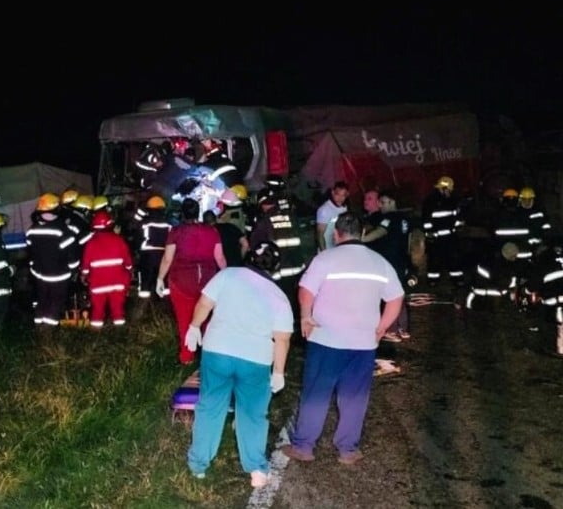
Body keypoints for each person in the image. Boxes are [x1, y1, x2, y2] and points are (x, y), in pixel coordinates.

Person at [283, 212, 404, 465]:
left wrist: (306, 316)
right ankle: (348, 449)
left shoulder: (325, 259)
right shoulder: (379, 262)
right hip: (363, 343)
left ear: (336, 234)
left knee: (316, 392)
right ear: (361, 233)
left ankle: (304, 446)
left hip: (326, 338)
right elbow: (396, 298)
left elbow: (306, 291)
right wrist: (382, 327)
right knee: (355, 395)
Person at [184, 241, 293, 488]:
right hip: (255, 361)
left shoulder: (228, 275)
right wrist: (278, 372)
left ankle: (198, 465)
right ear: (275, 267)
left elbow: (204, 304)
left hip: (217, 353)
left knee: (210, 407)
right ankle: (256, 469)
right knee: (253, 414)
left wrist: (193, 326)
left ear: (249, 257)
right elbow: (282, 339)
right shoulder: (279, 296)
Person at [157, 197, 227, 365]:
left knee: (185, 319)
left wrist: (160, 278)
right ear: (198, 212)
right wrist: (226, 278)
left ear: (182, 213)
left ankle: (187, 357)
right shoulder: (212, 231)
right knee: (207, 319)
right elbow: (220, 258)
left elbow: (167, 258)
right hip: (208, 282)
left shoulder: (176, 232)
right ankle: (211, 355)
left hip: (182, 280)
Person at [362, 188, 413, 341]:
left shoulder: (389, 218)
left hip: (390, 262)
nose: (381, 206)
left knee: (389, 296)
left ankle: (390, 329)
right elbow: (409, 241)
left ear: (392, 202)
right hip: (402, 260)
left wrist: (362, 240)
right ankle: (403, 327)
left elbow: (380, 231)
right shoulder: (405, 219)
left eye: (383, 202)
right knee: (400, 294)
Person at [25, 193, 80, 326]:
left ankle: (38, 324)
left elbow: (30, 254)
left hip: (39, 274)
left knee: (42, 299)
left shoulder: (31, 230)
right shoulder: (63, 230)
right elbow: (72, 255)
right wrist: (73, 269)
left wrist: (33, 268)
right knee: (56, 301)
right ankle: (48, 330)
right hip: (59, 275)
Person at [80, 209, 134, 327]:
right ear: (110, 224)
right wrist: (130, 271)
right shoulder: (119, 240)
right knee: (118, 310)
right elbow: (128, 261)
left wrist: (84, 276)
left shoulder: (91, 243)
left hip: (97, 284)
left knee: (97, 311)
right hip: (118, 282)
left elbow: (85, 265)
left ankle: (95, 338)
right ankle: (120, 336)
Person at [251, 187, 306, 297]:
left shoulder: (264, 220)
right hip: (296, 267)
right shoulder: (291, 216)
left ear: (262, 205)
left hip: (276, 270)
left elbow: (256, 246)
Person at [421, 176, 465, 287]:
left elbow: (457, 217)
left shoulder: (452, 201)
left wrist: (459, 226)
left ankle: (457, 280)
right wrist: (430, 234)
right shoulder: (430, 201)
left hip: (450, 238)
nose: (450, 192)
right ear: (443, 188)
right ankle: (432, 281)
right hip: (436, 239)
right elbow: (426, 220)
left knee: (454, 259)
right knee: (434, 260)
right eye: (449, 189)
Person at [132, 195, 172, 299]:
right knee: (164, 277)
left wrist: (136, 251)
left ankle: (144, 299)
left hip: (147, 255)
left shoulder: (144, 223)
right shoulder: (169, 224)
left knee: (145, 277)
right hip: (164, 254)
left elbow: (137, 237)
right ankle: (164, 299)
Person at [315, 181, 349, 252]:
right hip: (326, 247)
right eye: (338, 194)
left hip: (338, 246)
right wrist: (324, 253)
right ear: (333, 192)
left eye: (343, 195)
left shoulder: (344, 208)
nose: (340, 198)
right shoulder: (324, 210)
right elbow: (320, 235)